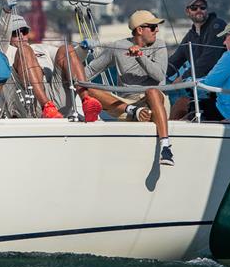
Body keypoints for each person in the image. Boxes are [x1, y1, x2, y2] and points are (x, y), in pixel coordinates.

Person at [55, 10, 174, 165]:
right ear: (139, 30)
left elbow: (159, 76)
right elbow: (89, 72)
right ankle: (134, 112)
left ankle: (165, 147)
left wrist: (140, 57)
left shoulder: (160, 45)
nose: (157, 30)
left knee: (151, 91)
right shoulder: (118, 47)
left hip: (157, 102)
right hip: (128, 105)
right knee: (89, 89)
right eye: (152, 27)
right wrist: (68, 70)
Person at [170, 20, 230, 122]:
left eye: (225, 37)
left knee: (182, 103)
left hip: (227, 114)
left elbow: (209, 83)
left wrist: (188, 81)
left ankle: (169, 136)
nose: (224, 42)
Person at [6, 14, 63, 119]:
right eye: (15, 33)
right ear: (7, 36)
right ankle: (46, 106)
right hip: (23, 102)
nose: (21, 35)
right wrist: (6, 12)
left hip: (52, 96)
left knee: (66, 50)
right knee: (24, 49)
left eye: (24, 31)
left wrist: (83, 49)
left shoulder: (40, 48)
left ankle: (88, 100)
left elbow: (65, 58)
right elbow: (0, 35)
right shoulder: (5, 50)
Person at [167, 0, 227, 80]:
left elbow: (208, 60)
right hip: (201, 84)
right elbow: (175, 61)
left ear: (207, 9)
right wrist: (159, 75)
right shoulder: (190, 36)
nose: (199, 10)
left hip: (218, 83)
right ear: (187, 11)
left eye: (202, 7)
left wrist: (183, 78)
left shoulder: (217, 25)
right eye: (194, 8)